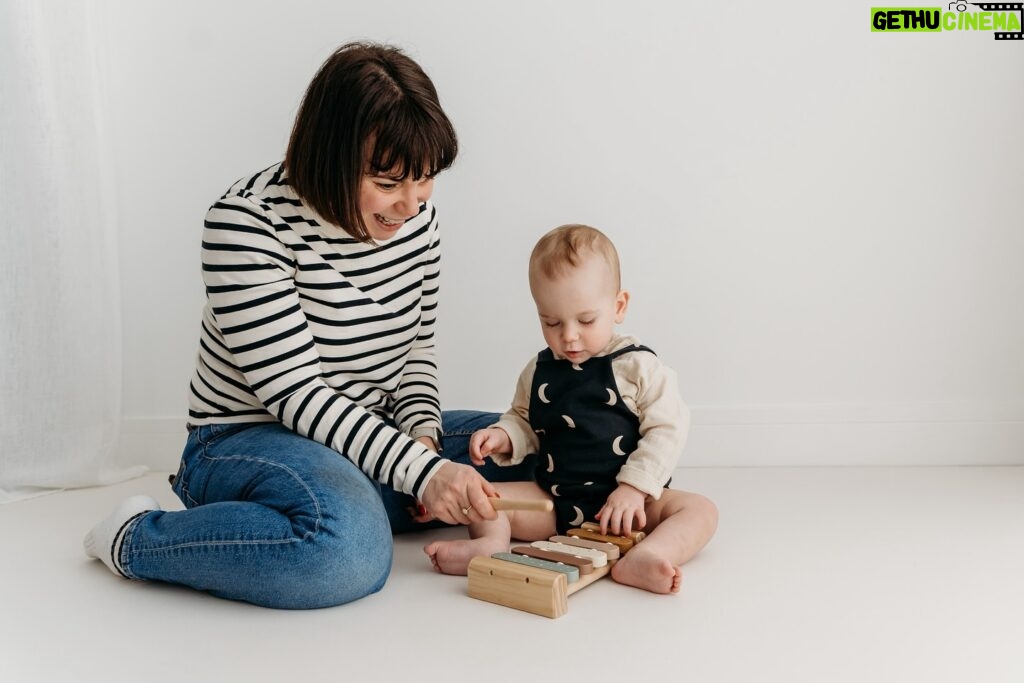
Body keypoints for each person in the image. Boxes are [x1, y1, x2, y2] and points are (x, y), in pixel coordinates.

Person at [83, 42, 534, 609]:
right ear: (332, 155)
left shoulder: (418, 220)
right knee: (348, 552)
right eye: (389, 183)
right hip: (245, 438)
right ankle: (138, 540)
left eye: (425, 181)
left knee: (553, 439)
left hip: (367, 429)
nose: (410, 205)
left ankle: (346, 501)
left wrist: (421, 439)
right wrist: (421, 474)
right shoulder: (245, 224)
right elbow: (294, 394)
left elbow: (416, 345)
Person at [424, 224, 718, 594]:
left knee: (700, 511)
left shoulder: (638, 368)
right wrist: (502, 436)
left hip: (633, 507)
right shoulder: (539, 371)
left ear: (619, 306)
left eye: (586, 320)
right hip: (556, 501)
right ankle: (489, 546)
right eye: (552, 322)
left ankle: (650, 554)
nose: (569, 336)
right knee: (491, 502)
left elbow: (668, 428)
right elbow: (524, 420)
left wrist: (632, 489)